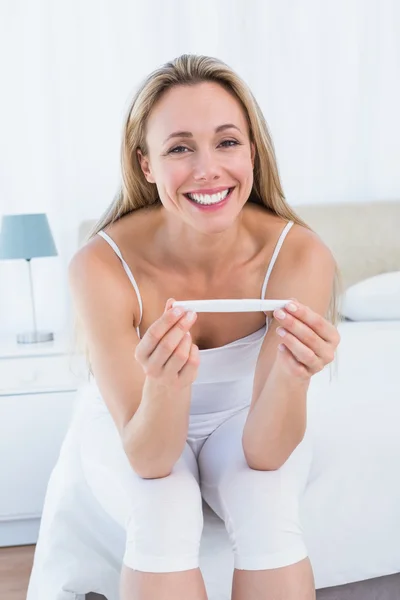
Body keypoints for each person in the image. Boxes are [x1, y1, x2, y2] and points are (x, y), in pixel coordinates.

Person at [69, 54, 341, 600]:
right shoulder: (101, 265)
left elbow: (265, 454)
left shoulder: (300, 254)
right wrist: (167, 385)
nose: (207, 168)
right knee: (162, 508)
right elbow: (149, 459)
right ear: (146, 165)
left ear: (253, 153)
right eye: (179, 148)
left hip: (247, 416)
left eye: (227, 142)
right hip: (139, 425)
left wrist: (292, 374)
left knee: (265, 505)